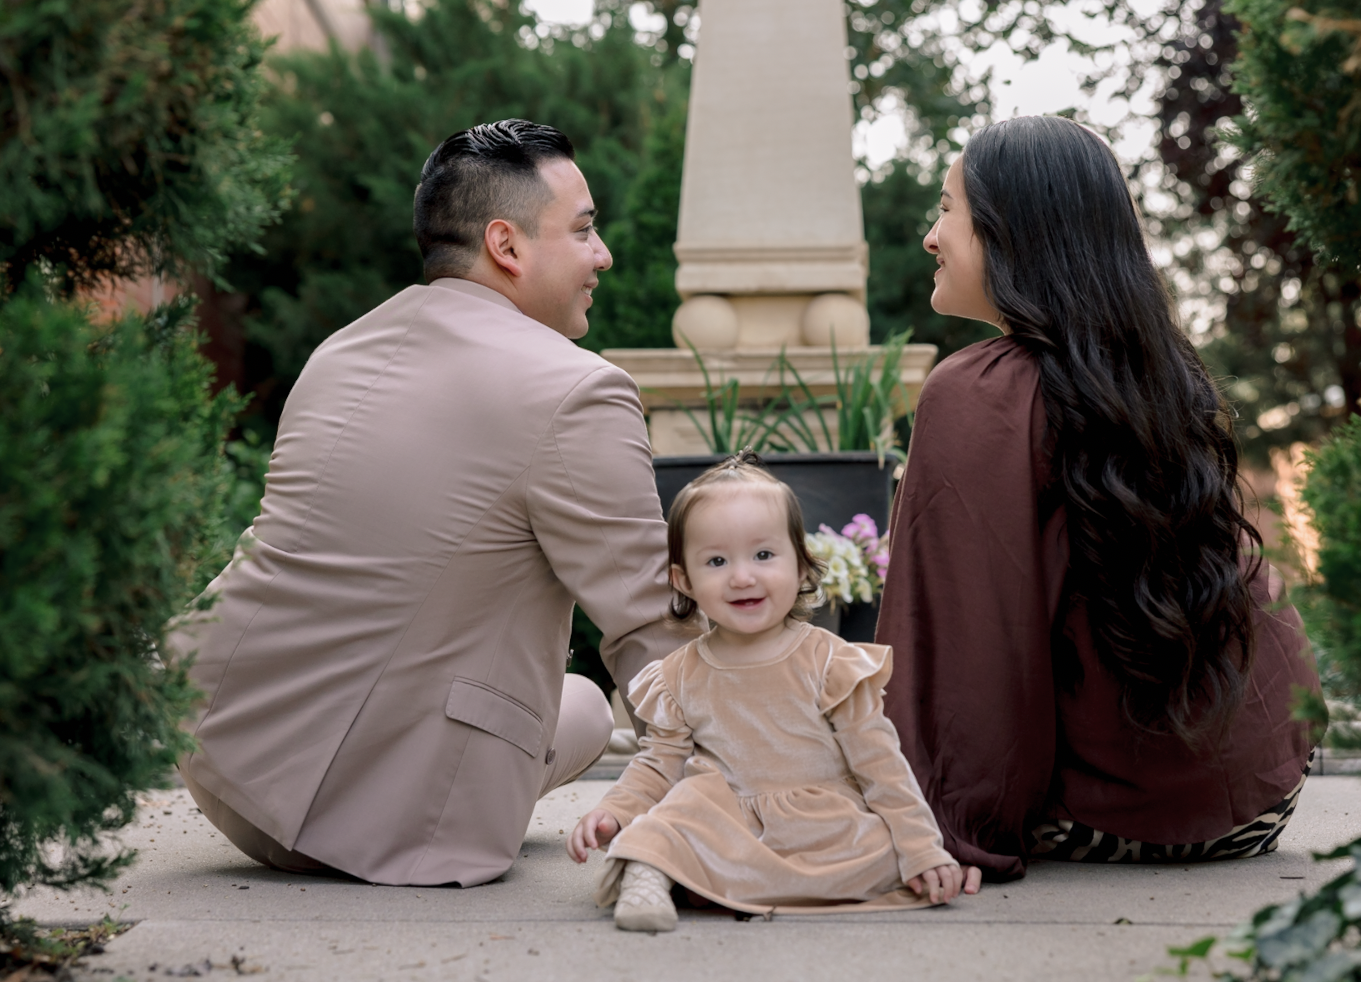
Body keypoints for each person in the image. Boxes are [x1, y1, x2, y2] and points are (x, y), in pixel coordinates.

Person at [167, 119, 697, 886]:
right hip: (381, 826)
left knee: (567, 696)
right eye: (583, 231)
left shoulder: (340, 349)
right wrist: (740, 790)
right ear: (507, 246)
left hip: (218, 755)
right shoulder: (575, 387)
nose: (602, 255)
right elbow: (648, 621)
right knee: (582, 704)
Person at [875, 116, 1321, 881]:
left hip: (1120, 818)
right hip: (1259, 797)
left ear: (1010, 230)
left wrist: (931, 820)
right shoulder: (1153, 375)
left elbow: (968, 658)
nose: (929, 236)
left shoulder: (975, 391)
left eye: (946, 209)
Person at [565, 452, 976, 931]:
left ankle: (703, 877)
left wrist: (921, 848)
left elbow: (880, 763)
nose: (742, 576)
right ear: (685, 581)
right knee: (671, 819)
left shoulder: (828, 660)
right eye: (716, 561)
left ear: (801, 567)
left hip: (821, 823)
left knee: (886, 853)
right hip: (729, 820)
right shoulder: (679, 673)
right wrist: (614, 810)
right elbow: (658, 764)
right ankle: (648, 873)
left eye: (764, 555)